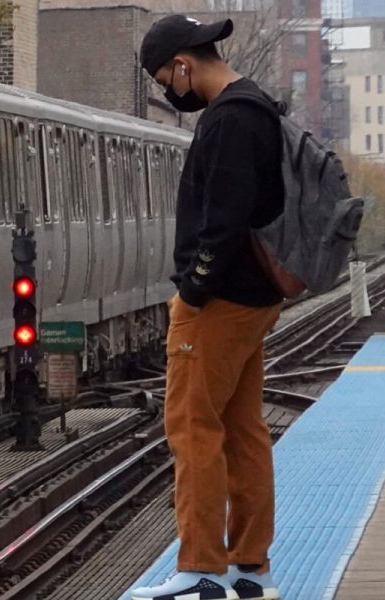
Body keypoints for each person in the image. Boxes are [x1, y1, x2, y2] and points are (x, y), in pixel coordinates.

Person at [130, 15, 287, 600]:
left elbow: (221, 222)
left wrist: (192, 290)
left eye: (166, 79)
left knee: (192, 429)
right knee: (244, 430)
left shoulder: (228, 121)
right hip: (254, 298)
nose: (171, 92)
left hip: (219, 302)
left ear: (183, 66)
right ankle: (251, 569)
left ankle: (201, 568)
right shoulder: (260, 107)